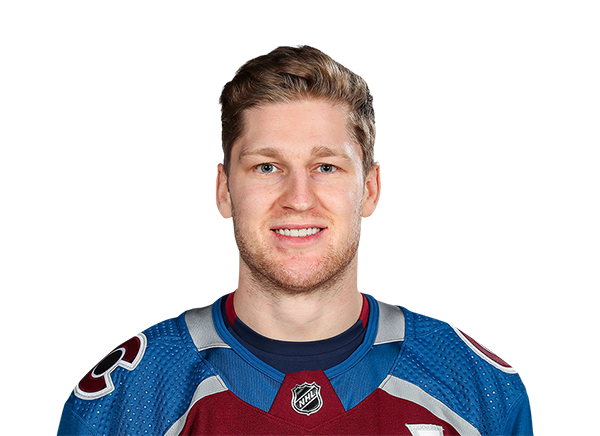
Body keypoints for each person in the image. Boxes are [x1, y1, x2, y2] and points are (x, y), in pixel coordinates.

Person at [57, 45, 532, 436]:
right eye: (267, 166)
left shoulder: (476, 386)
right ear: (224, 191)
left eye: (326, 167)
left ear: (369, 190)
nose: (298, 199)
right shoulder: (136, 392)